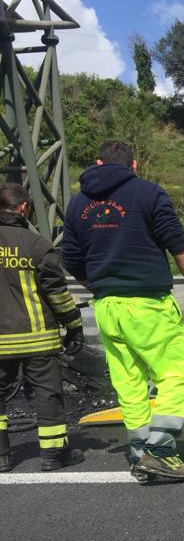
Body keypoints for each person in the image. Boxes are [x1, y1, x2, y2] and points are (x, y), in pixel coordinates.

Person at [62, 141, 184, 483]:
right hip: (148, 305)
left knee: (129, 384)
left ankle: (140, 453)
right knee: (175, 375)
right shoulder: (148, 193)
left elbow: (69, 258)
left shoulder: (77, 203)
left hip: (108, 307)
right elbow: (181, 250)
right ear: (135, 164)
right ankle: (160, 452)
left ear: (98, 162)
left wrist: (100, 287)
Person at [0, 183, 86, 473]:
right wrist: (74, 325)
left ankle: (1, 456)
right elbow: (56, 293)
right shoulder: (35, 244)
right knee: (47, 393)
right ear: (24, 207)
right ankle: (53, 454)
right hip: (37, 339)